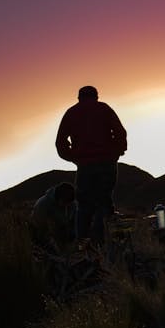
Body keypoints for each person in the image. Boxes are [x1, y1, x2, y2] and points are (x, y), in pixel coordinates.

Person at [55, 85, 127, 245]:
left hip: (85, 167)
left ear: (79, 97)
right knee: (104, 201)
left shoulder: (71, 113)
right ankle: (103, 243)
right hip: (106, 164)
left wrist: (74, 158)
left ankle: (82, 243)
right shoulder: (104, 109)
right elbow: (121, 132)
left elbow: (60, 143)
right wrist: (116, 153)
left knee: (84, 206)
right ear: (96, 96)